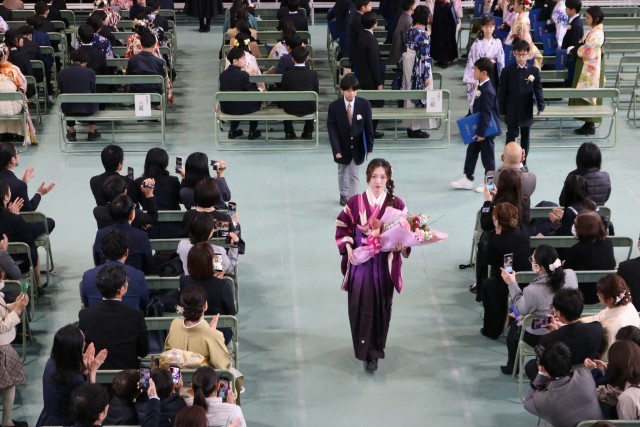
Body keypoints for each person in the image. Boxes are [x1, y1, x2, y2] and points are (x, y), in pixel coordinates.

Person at [335, 158, 410, 372]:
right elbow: (343, 227)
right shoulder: (355, 202)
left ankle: (375, 351)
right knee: (360, 306)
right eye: (375, 176)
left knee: (381, 307)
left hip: (384, 265)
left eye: (383, 177)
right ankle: (362, 347)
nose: (378, 181)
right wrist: (348, 247)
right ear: (368, 177)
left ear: (388, 179)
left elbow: (406, 233)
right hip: (361, 263)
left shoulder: (397, 204)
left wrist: (401, 246)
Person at [500, 244, 578, 374]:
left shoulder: (532, 291)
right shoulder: (570, 274)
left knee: (513, 326)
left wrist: (511, 283)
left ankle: (512, 367)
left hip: (540, 333)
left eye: (532, 260)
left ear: (539, 266)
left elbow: (521, 309)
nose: (531, 261)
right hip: (564, 327)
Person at [78, 264, 149, 369]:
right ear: (122, 290)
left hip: (96, 373)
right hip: (128, 374)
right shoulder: (136, 315)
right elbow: (143, 352)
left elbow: (83, 348)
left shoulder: (85, 314)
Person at [524, 288, 603, 381]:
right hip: (587, 376)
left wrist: (554, 333)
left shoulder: (547, 339)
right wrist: (559, 330)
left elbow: (545, 365)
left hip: (560, 379)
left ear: (559, 313)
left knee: (530, 365)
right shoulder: (597, 328)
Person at [36, 324, 107, 427]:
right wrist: (92, 371)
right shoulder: (75, 380)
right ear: (75, 350)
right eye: (83, 342)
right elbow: (92, 407)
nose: (84, 343)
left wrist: (84, 370)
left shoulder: (51, 362)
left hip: (47, 419)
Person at [479, 202, 531, 337]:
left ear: (496, 221)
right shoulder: (524, 230)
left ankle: (492, 329)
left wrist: (496, 234)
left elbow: (489, 260)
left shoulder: (497, 241)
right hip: (526, 278)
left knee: (488, 285)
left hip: (507, 280)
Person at [524, 342, 604, 426]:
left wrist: (540, 374)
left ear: (544, 369)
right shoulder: (585, 375)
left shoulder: (542, 401)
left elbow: (527, 403)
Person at [451, 58, 500, 191]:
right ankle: (467, 179)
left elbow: (487, 113)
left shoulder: (488, 90)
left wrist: (482, 133)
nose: (473, 71)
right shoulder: (481, 86)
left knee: (488, 159)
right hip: (478, 128)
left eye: (476, 69)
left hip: (485, 131)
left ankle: (490, 185)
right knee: (471, 152)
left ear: (484, 73)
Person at [328, 74, 374, 206]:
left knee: (354, 173)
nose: (352, 93)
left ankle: (353, 198)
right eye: (348, 90)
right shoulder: (334, 106)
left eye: (354, 90)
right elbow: (332, 129)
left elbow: (368, 127)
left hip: (357, 146)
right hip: (342, 146)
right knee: (342, 171)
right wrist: (336, 149)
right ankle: (343, 194)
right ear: (342, 90)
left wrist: (369, 146)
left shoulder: (364, 105)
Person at [164, 284, 233, 370]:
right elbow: (225, 368)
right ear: (205, 305)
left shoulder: (175, 324)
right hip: (202, 378)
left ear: (182, 307)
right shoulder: (214, 335)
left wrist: (209, 332)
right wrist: (211, 334)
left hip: (176, 377)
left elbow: (168, 354)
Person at [498, 39, 544, 166]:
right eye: (518, 54)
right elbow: (502, 92)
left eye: (524, 54)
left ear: (529, 54)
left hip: (526, 108)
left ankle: (523, 163)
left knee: (525, 137)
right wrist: (501, 109)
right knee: (511, 135)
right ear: (514, 53)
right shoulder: (507, 70)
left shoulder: (534, 71)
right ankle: (508, 160)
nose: (521, 57)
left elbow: (538, 89)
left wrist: (541, 106)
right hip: (511, 108)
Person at [180, 242, 236, 344]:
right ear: (211, 263)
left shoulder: (184, 280)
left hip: (192, 332)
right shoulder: (222, 285)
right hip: (219, 335)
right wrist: (218, 282)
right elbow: (231, 312)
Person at [81, 229, 149, 310]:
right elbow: (144, 303)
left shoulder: (87, 276)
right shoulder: (138, 275)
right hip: (129, 317)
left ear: (103, 252)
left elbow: (87, 304)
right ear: (126, 253)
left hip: (97, 317)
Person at [581, 274, 640, 361]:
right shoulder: (626, 304)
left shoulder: (615, 327)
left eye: (599, 295)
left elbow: (607, 357)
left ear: (610, 299)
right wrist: (575, 322)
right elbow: (598, 317)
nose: (598, 296)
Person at [562, 211, 616, 303]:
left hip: (581, 295)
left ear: (582, 228)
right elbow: (612, 264)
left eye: (575, 224)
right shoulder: (608, 243)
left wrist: (563, 265)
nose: (573, 226)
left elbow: (567, 272)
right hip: (604, 292)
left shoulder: (576, 249)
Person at [93, 195, 155, 274]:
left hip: (106, 277)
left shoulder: (100, 234)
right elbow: (149, 267)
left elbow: (98, 263)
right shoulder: (141, 236)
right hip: (134, 278)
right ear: (131, 215)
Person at [0, 141, 55, 231]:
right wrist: (39, 193)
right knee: (50, 222)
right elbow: (28, 210)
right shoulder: (19, 185)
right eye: (17, 153)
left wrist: (23, 182)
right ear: (13, 159)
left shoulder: (17, 184)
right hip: (11, 227)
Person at [0, 266, 29, 427]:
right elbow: (1, 326)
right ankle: (7, 422)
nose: (3, 281)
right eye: (1, 278)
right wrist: (16, 310)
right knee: (9, 384)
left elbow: (2, 310)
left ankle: (7, 421)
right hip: (1, 347)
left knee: (7, 385)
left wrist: (15, 305)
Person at [570, 5, 604, 136]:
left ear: (596, 19)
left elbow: (587, 51)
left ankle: (590, 124)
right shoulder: (594, 31)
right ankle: (588, 123)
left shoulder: (597, 33)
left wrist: (575, 50)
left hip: (591, 67)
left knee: (589, 94)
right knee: (586, 93)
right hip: (588, 64)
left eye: (588, 18)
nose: (586, 19)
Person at [0, 179, 40, 289]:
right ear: (6, 197)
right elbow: (31, 246)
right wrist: (15, 216)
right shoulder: (15, 220)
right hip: (18, 266)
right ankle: (38, 286)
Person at [401, 5, 433, 139]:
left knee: (410, 92)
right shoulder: (423, 35)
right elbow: (423, 58)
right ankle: (416, 127)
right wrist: (426, 76)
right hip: (418, 65)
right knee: (419, 93)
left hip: (409, 63)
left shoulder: (411, 30)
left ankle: (410, 126)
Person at [57, 49, 101, 142]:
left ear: (71, 61)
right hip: (88, 109)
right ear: (84, 63)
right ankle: (91, 131)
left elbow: (62, 92)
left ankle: (71, 132)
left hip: (69, 110)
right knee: (92, 99)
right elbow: (93, 91)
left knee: (67, 100)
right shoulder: (90, 72)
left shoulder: (61, 73)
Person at [219, 47, 261, 140]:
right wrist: (259, 90)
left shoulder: (222, 75)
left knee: (235, 101)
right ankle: (252, 132)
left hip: (226, 108)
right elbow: (252, 91)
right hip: (240, 108)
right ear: (235, 61)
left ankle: (232, 131)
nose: (245, 61)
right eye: (242, 59)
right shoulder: (243, 75)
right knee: (256, 102)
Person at [463, 16, 505, 109]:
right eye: (486, 26)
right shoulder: (477, 43)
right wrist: (472, 79)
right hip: (480, 71)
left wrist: (502, 74)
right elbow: (471, 61)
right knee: (479, 94)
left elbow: (501, 60)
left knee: (492, 93)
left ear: (494, 27)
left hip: (492, 72)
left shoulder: (498, 42)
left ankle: (491, 113)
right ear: (482, 27)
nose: (488, 29)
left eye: (490, 26)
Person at [178, 211, 237, 276]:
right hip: (210, 282)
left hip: (190, 281)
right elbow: (230, 269)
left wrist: (208, 228)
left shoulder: (182, 245)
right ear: (210, 233)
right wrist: (234, 246)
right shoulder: (217, 252)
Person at [0, 43, 37, 145]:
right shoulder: (14, 70)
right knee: (21, 99)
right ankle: (19, 133)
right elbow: (23, 86)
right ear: (7, 54)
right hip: (13, 108)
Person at [93, 175, 158, 230]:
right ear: (125, 192)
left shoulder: (98, 211)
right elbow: (153, 218)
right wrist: (149, 194)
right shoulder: (134, 213)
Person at [356, 11, 384, 138]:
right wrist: (379, 83)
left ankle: (366, 129)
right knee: (377, 104)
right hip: (371, 79)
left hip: (362, 75)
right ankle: (370, 130)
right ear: (374, 24)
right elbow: (375, 63)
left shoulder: (361, 35)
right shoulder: (372, 40)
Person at [281, 45, 318, 140]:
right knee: (312, 101)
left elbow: (284, 91)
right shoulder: (313, 74)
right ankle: (308, 132)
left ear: (292, 59)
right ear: (307, 58)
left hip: (290, 108)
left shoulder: (286, 74)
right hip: (308, 107)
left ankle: (289, 132)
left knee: (284, 101)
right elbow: (316, 92)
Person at [559, 142, 611, 206]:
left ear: (579, 159)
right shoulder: (605, 177)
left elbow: (562, 202)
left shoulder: (572, 177)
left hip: (576, 212)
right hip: (599, 212)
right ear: (598, 158)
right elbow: (606, 198)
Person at [126, 31, 166, 97]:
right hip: (155, 95)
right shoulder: (159, 62)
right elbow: (162, 78)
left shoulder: (132, 60)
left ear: (141, 44)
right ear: (154, 45)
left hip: (135, 94)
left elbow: (129, 75)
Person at [505, 0, 543, 68]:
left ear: (520, 6)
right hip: (522, 43)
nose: (513, 6)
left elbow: (520, 37)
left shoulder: (522, 20)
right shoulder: (521, 17)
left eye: (514, 4)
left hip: (523, 47)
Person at [430, 0, 458, 68]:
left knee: (444, 34)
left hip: (445, 7)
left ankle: (443, 58)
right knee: (440, 34)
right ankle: (441, 58)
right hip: (439, 8)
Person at [562, 0, 583, 86]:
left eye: (567, 8)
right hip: (569, 56)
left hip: (571, 59)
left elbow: (574, 45)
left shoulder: (576, 25)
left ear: (573, 10)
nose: (565, 9)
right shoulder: (572, 21)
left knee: (570, 82)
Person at [388, 0, 414, 66]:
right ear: (412, 7)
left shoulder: (403, 15)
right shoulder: (408, 20)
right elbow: (407, 40)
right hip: (402, 54)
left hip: (398, 52)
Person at [618, 235, 640, 312]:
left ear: (639, 244)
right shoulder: (625, 266)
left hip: (631, 314)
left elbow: (618, 295)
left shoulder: (625, 267)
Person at [347, 0, 370, 71]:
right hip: (358, 55)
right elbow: (361, 40)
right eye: (369, 6)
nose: (371, 8)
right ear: (363, 7)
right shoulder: (359, 20)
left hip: (357, 54)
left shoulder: (358, 17)